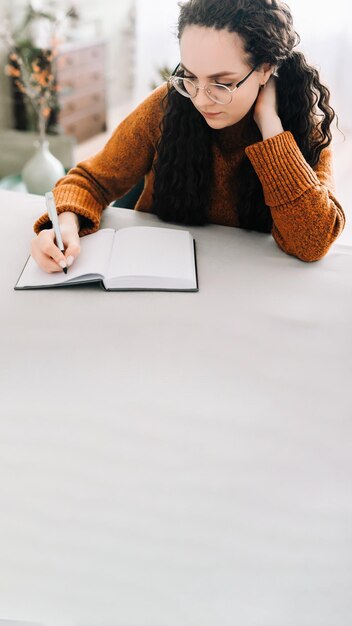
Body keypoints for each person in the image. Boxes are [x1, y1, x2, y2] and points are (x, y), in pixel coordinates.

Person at [31, 0, 345, 272]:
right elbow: (92, 180)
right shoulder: (167, 107)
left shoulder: (304, 129)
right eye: (190, 77)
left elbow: (312, 242)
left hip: (247, 296)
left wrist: (270, 127)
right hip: (155, 278)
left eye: (222, 83)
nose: (201, 99)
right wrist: (65, 223)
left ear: (265, 69)